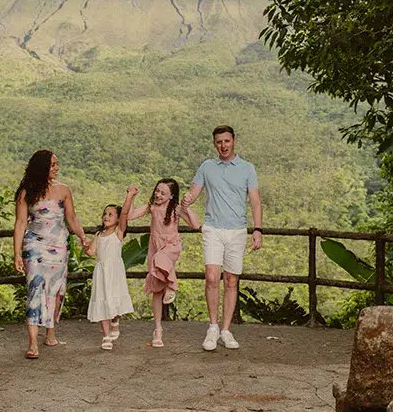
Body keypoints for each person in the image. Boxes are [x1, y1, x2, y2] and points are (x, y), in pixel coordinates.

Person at [181, 125, 263, 351]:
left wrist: (258, 229)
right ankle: (213, 327)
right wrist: (187, 201)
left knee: (231, 281)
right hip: (213, 228)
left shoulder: (247, 169)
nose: (223, 146)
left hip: (237, 230)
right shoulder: (207, 167)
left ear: (234, 140)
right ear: (214, 143)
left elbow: (255, 201)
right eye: (219, 142)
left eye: (227, 141)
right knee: (211, 276)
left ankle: (226, 330)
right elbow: (194, 193)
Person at [13, 149, 89, 360]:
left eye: (57, 164)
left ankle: (51, 333)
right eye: (53, 165)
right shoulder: (26, 193)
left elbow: (72, 219)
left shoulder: (64, 190)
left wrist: (83, 237)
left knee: (56, 289)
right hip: (34, 245)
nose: (57, 168)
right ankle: (32, 342)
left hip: (59, 245)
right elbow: (20, 224)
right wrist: (17, 253)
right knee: (35, 287)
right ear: (42, 167)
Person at [130, 178, 200, 348]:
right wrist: (131, 197)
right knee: (156, 290)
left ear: (171, 196)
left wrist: (186, 207)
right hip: (155, 247)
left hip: (171, 246)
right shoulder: (152, 207)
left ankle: (172, 285)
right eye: (157, 191)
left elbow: (196, 225)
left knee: (160, 259)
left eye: (163, 193)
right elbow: (131, 216)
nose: (158, 195)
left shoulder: (175, 209)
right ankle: (157, 330)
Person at [84, 185, 139, 350]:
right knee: (102, 300)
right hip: (101, 272)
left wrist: (130, 196)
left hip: (114, 271)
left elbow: (124, 214)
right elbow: (92, 252)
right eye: (105, 214)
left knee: (113, 298)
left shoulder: (118, 232)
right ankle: (106, 336)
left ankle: (115, 319)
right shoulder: (99, 235)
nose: (106, 216)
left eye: (110, 214)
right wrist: (85, 246)